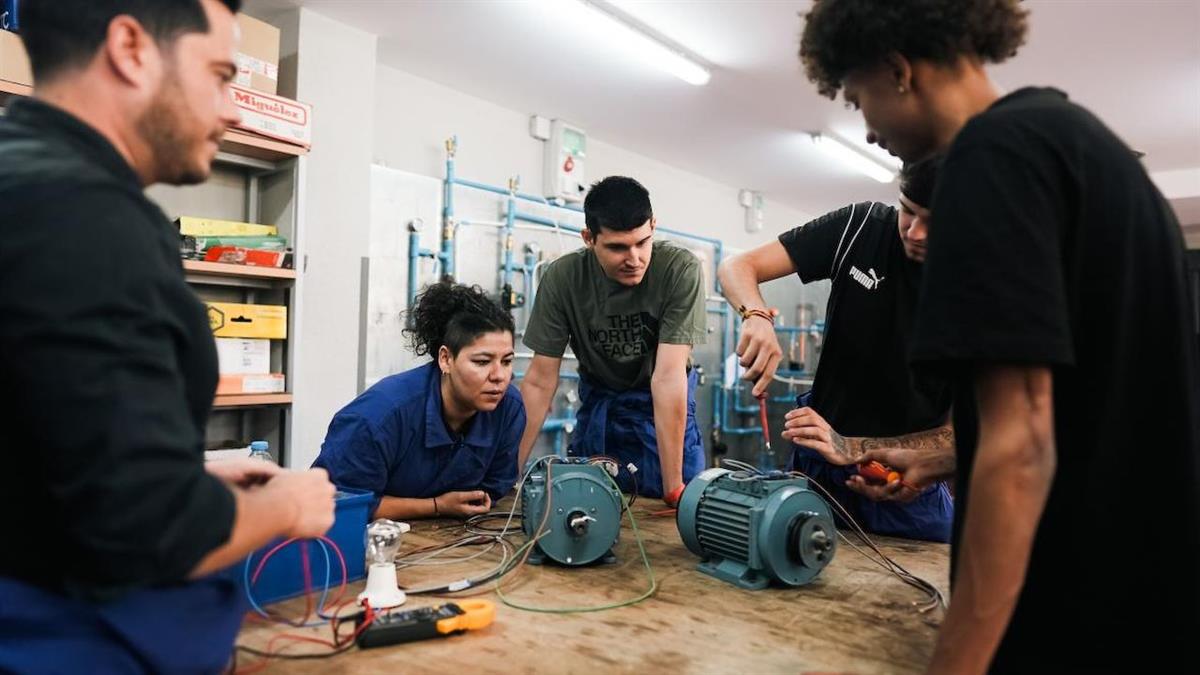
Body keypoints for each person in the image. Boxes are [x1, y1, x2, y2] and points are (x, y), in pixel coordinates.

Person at [800, 1, 1200, 673]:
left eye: (857, 95)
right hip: (1146, 594)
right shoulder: (1077, 145)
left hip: (1074, 603)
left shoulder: (988, 159)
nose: (867, 128)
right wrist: (937, 459)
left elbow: (1021, 449)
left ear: (897, 71)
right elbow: (1087, 400)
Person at [0, 2, 336, 672]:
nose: (234, 110)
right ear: (131, 47)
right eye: (217, 75)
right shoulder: (87, 217)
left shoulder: (23, 178)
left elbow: (34, 433)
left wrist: (191, 469)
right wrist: (282, 503)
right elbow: (144, 529)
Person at [718, 156, 954, 542]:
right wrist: (756, 315)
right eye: (907, 212)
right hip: (819, 483)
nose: (914, 232)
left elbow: (965, 437)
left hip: (908, 493)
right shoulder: (860, 228)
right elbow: (737, 266)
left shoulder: (986, 291)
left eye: (935, 221)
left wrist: (853, 447)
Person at [518, 176, 707, 505]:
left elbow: (668, 377)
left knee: (677, 517)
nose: (634, 258)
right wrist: (509, 473)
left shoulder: (680, 270)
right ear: (589, 238)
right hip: (600, 406)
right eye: (618, 247)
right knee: (587, 510)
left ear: (653, 226)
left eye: (642, 242)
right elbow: (538, 381)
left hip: (661, 408)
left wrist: (674, 486)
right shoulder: (562, 279)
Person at [314, 282, 525, 520]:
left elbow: (494, 489)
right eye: (482, 362)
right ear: (446, 359)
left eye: (506, 361)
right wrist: (436, 506)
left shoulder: (508, 409)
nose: (499, 376)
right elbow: (336, 503)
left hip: (450, 541)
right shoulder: (379, 417)